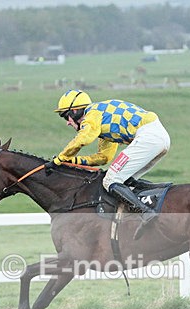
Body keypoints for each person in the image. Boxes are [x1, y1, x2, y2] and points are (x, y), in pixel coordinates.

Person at [47, 89, 171, 235]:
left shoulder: (92, 115)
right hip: (158, 137)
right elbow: (103, 158)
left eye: (65, 116)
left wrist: (59, 159)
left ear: (75, 111)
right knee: (125, 181)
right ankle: (160, 194)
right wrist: (72, 160)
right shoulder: (102, 121)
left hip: (148, 136)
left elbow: (83, 139)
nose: (68, 123)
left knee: (111, 180)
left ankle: (146, 213)